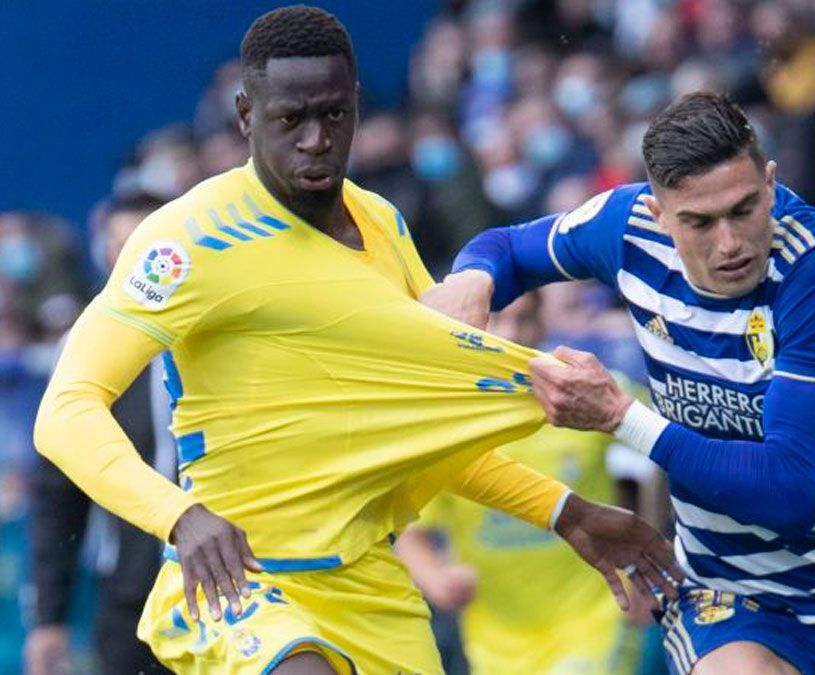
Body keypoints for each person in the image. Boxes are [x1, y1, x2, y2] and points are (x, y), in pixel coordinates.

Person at [33, 7, 679, 675]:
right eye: (290, 119)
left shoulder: (383, 226)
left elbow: (420, 429)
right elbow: (65, 411)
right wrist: (180, 515)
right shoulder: (189, 241)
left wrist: (564, 510)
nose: (315, 139)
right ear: (245, 111)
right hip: (244, 584)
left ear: (357, 106)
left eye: (333, 115)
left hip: (370, 588)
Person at [427, 91, 815, 675]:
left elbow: (791, 490)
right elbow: (507, 247)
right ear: (657, 214)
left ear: (771, 184)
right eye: (698, 222)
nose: (728, 242)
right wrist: (473, 279)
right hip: (726, 593)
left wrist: (622, 418)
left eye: (744, 209)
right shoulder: (624, 229)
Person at [396, 291, 645, 675]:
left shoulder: (580, 397)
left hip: (592, 620)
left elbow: (664, 455)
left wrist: (645, 565)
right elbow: (411, 529)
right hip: (497, 640)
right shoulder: (443, 425)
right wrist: (436, 579)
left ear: (544, 322)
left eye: (524, 318)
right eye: (497, 318)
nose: (510, 333)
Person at [25, 193, 170, 675]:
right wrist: (49, 618)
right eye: (116, 245)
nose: (126, 259)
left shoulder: (226, 339)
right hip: (128, 602)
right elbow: (57, 492)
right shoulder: (83, 348)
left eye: (140, 244)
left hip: (231, 594)